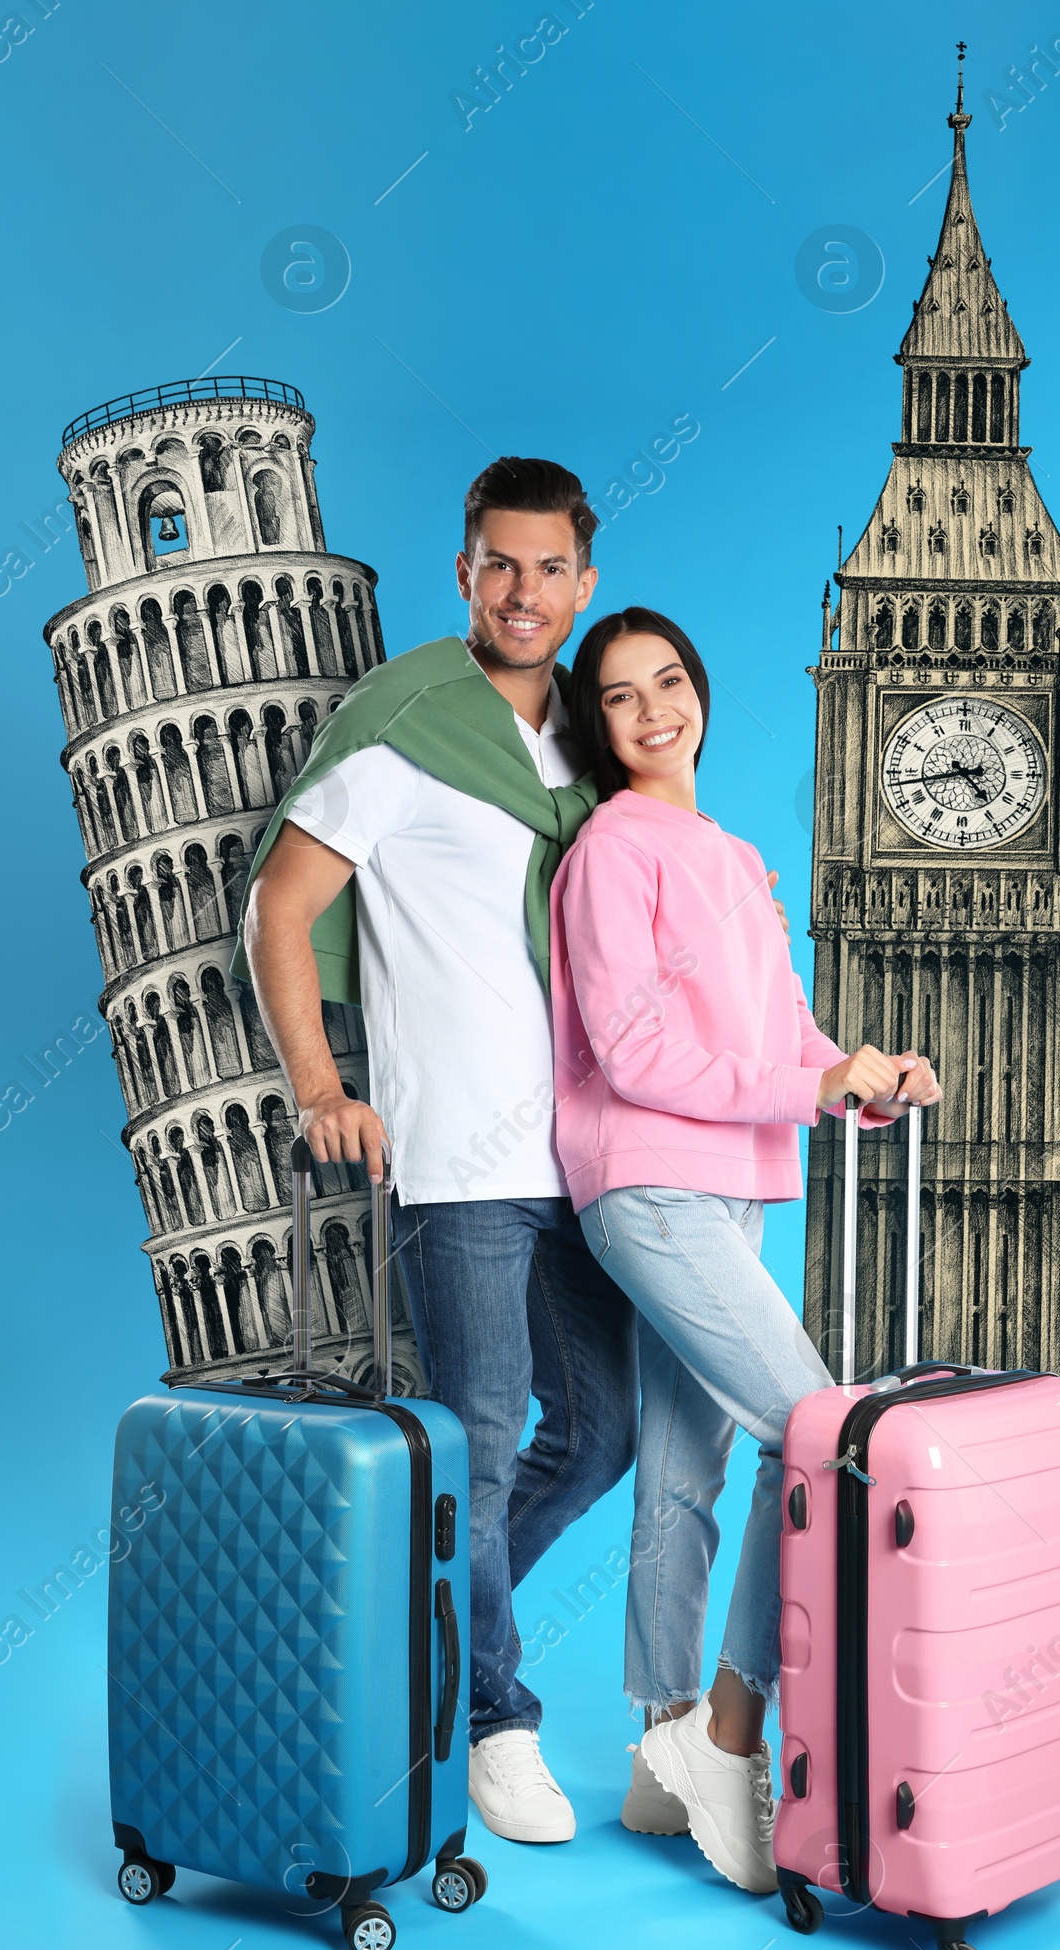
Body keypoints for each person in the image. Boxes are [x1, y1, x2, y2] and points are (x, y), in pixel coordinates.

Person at [236, 460, 642, 1846]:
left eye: (550, 570)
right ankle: (491, 1721)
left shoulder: (587, 751)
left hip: (588, 1153)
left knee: (602, 1435)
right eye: (498, 565)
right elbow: (280, 907)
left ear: (582, 584)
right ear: (462, 574)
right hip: (459, 1159)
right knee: (473, 1444)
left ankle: (418, 1647)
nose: (524, 594)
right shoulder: (401, 724)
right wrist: (317, 1088)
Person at [549, 607, 941, 1893]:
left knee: (681, 1476)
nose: (654, 708)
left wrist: (860, 1079)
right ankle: (729, 1732)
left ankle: (660, 1753)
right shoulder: (613, 849)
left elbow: (784, 1031)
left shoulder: (727, 851)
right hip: (652, 1184)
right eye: (619, 696)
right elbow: (638, 1052)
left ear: (700, 691)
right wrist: (813, 1083)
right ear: (595, 728)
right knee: (818, 1433)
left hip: (727, 1185)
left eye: (670, 679)